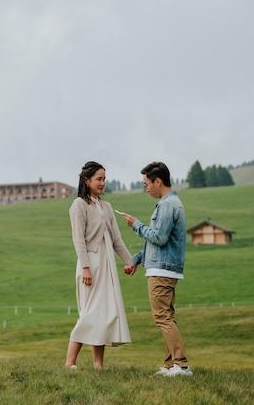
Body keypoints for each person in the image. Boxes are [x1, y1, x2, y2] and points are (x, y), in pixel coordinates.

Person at [117, 161, 192, 377]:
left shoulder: (169, 205)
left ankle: (182, 366)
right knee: (166, 316)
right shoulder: (168, 203)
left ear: (158, 181)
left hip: (162, 271)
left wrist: (136, 225)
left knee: (162, 318)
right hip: (161, 268)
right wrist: (136, 260)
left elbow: (158, 238)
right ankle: (171, 365)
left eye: (146, 184)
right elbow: (154, 242)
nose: (145, 188)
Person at [65, 161, 134, 371]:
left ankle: (98, 364)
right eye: (99, 179)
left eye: (104, 178)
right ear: (87, 180)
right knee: (89, 313)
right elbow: (78, 239)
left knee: (103, 314)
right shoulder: (78, 205)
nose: (103, 182)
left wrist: (129, 260)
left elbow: (116, 239)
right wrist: (85, 267)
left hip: (107, 266)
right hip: (90, 266)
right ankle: (69, 362)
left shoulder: (106, 207)